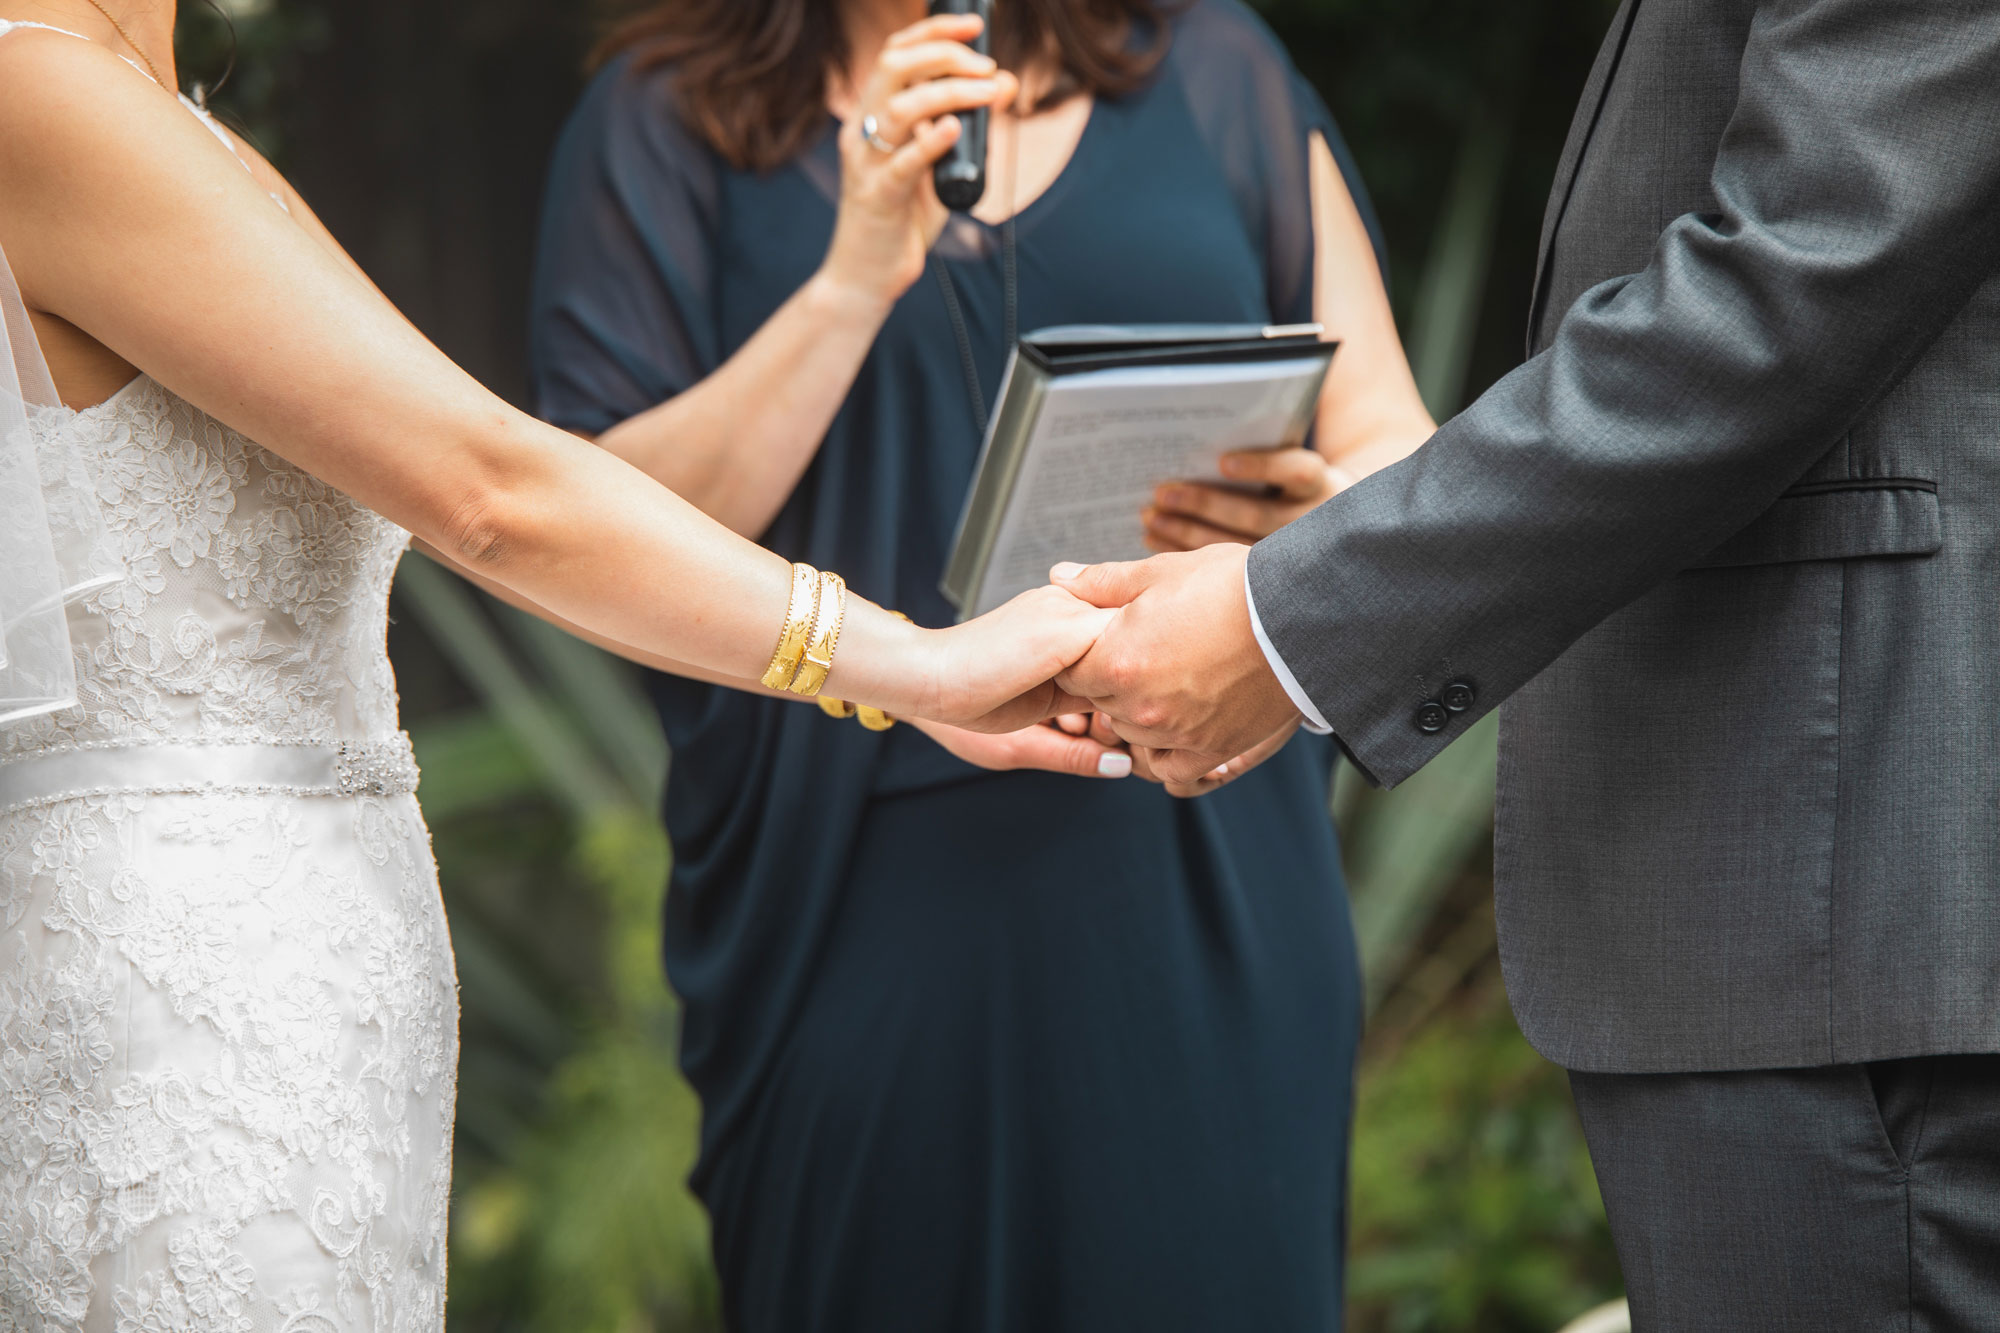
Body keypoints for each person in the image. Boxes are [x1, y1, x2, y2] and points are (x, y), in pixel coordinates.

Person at [0, 2, 1122, 1325]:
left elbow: (490, 500)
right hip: (178, 1011)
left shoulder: (173, 126)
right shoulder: (33, 94)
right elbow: (490, 493)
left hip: (308, 1003)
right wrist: (914, 665)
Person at [1050, 0, 2000, 1325]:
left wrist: (1289, 622)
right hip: (1814, 895)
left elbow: (1796, 270)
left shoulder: (1223, 75)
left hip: (1851, 884)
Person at [528, 0, 1433, 1328]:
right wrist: (852, 282)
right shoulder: (661, 120)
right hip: (854, 904)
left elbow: (1402, 456)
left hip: (1209, 876)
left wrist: (1318, 521)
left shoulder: (1213, 65)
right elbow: (594, 535)